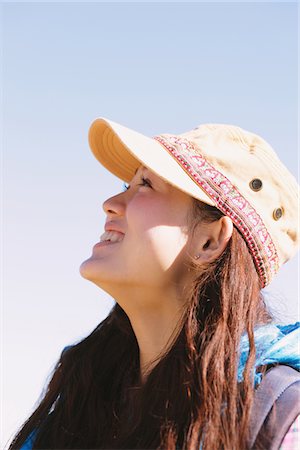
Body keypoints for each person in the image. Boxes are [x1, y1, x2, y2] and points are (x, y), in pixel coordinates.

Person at [9, 118, 300, 450]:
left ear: (210, 241)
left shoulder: (279, 416)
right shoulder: (83, 400)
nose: (110, 204)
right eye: (125, 187)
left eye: (145, 184)